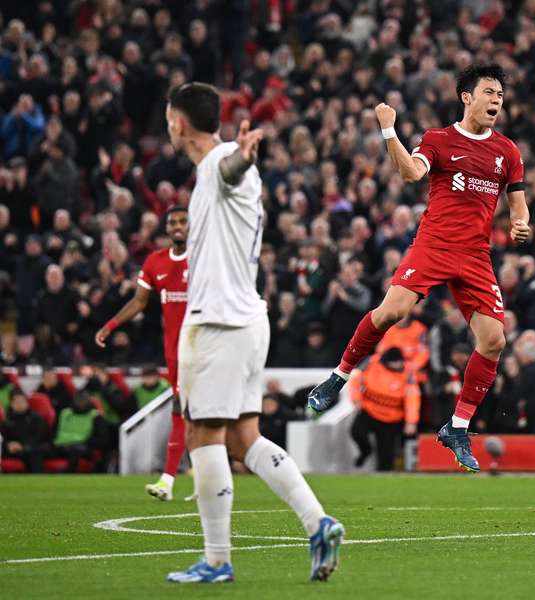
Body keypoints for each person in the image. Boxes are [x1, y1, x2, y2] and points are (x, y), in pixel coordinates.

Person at [307, 64, 529, 472]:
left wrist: (520, 223)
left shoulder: (508, 151)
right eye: (489, 92)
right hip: (435, 245)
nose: (497, 100)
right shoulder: (438, 140)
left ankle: (457, 426)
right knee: (393, 312)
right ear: (467, 96)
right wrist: (389, 130)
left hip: (476, 255)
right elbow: (410, 173)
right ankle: (338, 377)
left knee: (494, 340)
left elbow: (518, 202)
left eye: (500, 94)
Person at [161, 82, 342, 584]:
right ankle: (318, 522)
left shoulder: (222, 163)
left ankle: (217, 561)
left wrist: (240, 157)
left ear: (177, 121)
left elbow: (229, 171)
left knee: (203, 433)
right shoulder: (214, 169)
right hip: (245, 318)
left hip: (217, 322)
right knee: (244, 437)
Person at [95, 206, 191, 502]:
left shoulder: (204, 257)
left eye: (182, 221)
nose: (177, 226)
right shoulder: (155, 261)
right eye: (172, 222)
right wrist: (110, 325)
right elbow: (139, 302)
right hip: (174, 355)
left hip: (204, 350)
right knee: (187, 414)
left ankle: (169, 479)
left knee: (190, 413)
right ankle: (196, 481)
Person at [348, 347, 420, 471]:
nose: (399, 365)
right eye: (396, 362)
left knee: (386, 458)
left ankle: (382, 482)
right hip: (369, 410)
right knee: (356, 432)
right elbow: (356, 378)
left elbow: (413, 398)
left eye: (400, 362)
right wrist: (356, 399)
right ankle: (366, 451)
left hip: (391, 418)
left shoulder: (408, 373)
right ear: (387, 362)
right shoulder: (371, 362)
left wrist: (411, 422)